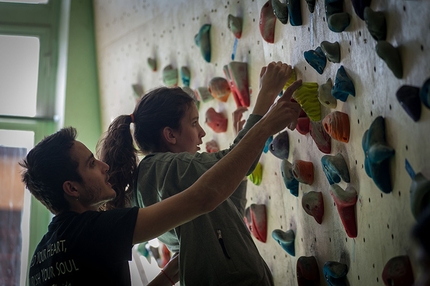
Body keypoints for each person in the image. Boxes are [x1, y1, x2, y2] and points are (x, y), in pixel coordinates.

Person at [20, 76, 302, 286]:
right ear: (71, 189)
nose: (104, 167)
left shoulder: (41, 259)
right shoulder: (92, 231)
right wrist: (265, 123)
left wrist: (177, 268)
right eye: (92, 164)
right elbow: (204, 196)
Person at [98, 61, 299, 285]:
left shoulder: (153, 177)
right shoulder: (165, 168)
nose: (202, 133)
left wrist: (243, 144)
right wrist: (267, 95)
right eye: (194, 123)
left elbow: (225, 205)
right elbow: (231, 165)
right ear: (170, 135)